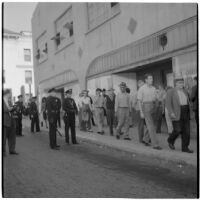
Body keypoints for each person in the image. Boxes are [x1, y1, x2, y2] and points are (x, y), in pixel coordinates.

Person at [166, 78, 193, 153]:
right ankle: (170, 140)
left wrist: (189, 91)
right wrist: (171, 112)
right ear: (176, 84)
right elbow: (168, 103)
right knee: (178, 130)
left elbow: (190, 100)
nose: (181, 84)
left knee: (186, 131)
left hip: (186, 112)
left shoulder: (185, 91)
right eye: (180, 83)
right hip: (177, 112)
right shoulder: (171, 91)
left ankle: (185, 148)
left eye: (182, 83)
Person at [137, 74, 162, 150]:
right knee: (151, 126)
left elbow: (156, 98)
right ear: (146, 80)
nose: (152, 80)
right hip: (146, 107)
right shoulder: (142, 88)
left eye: (152, 78)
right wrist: (141, 112)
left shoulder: (154, 88)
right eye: (150, 79)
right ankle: (155, 144)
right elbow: (139, 101)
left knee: (152, 125)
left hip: (153, 106)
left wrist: (158, 96)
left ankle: (145, 139)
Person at [3, 89, 18, 155]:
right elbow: (5, 109)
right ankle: (3, 152)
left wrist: (14, 109)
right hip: (4, 121)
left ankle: (12, 150)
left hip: (11, 121)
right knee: (3, 137)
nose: (11, 94)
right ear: (7, 93)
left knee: (12, 136)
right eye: (10, 93)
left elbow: (11, 109)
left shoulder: (9, 101)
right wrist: (11, 108)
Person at [136, 80, 151, 146]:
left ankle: (146, 138)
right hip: (139, 110)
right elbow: (133, 103)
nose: (143, 86)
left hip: (146, 110)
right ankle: (141, 139)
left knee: (149, 125)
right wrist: (137, 109)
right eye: (141, 84)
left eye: (143, 84)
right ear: (138, 85)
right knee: (141, 126)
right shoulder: (136, 93)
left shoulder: (145, 91)